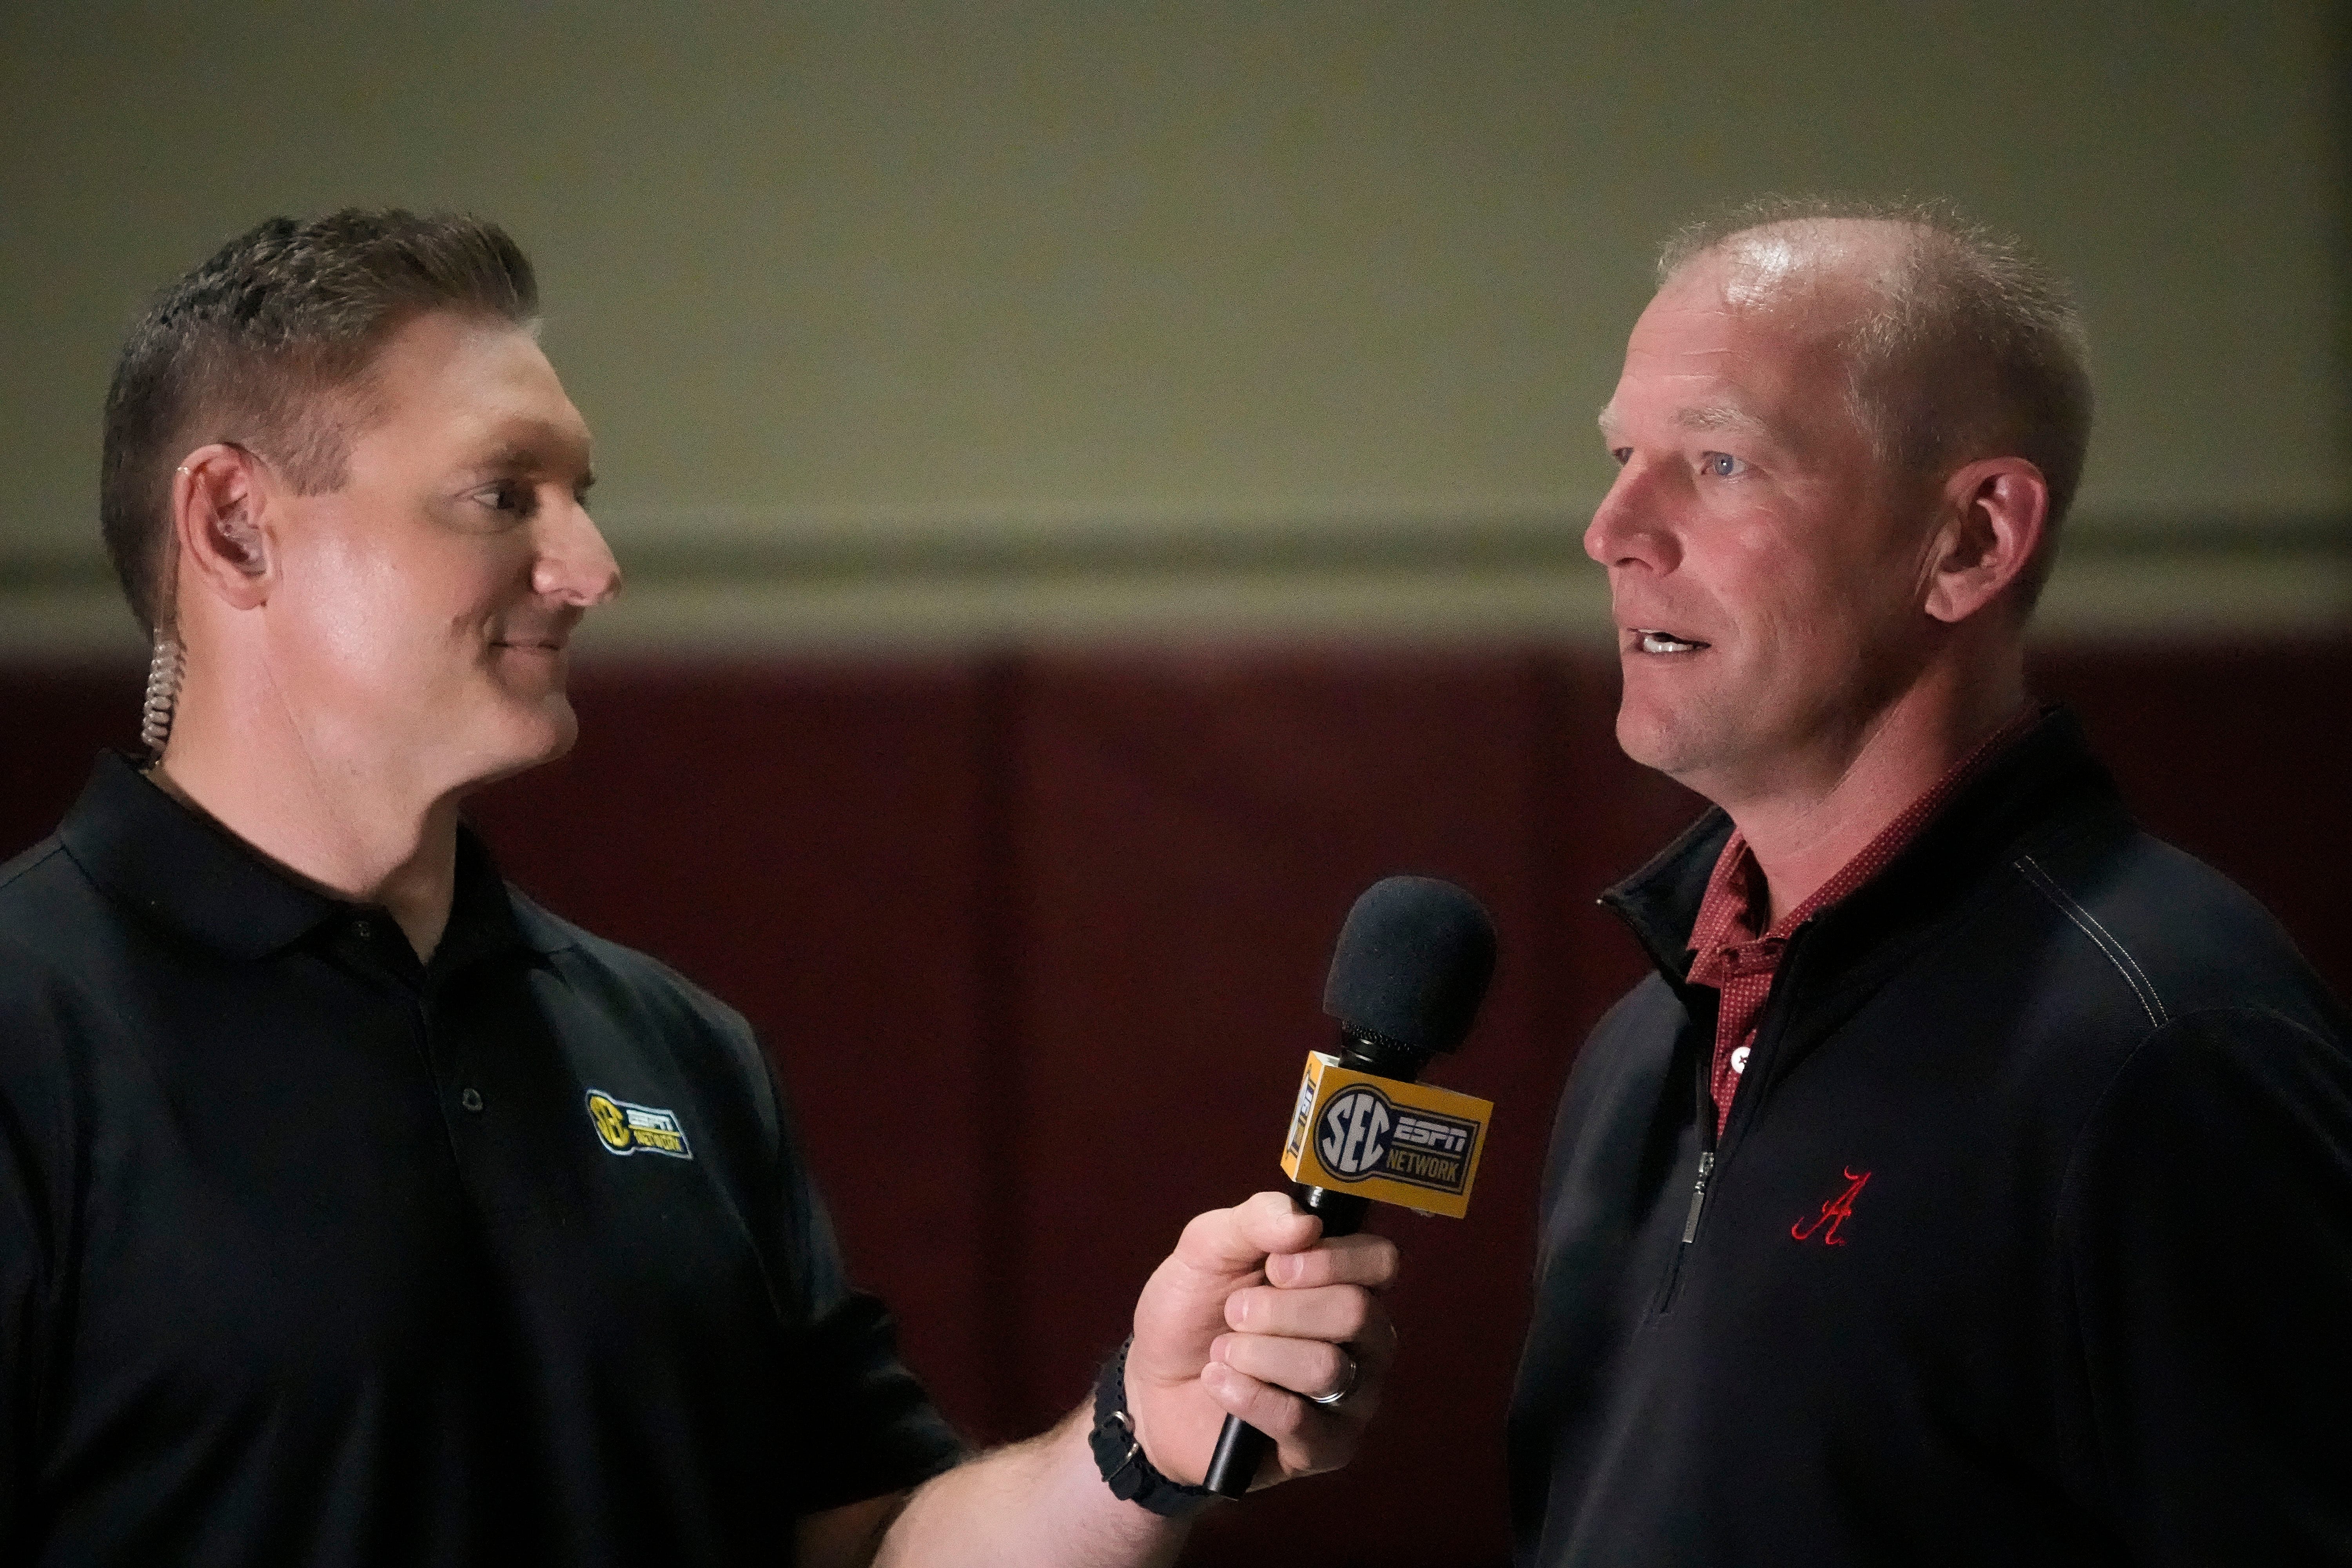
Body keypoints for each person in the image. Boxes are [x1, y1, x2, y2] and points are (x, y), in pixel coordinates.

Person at [0, 210, 1397, 1566]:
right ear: (237, 526)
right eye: (504, 496)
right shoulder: (31, 1027)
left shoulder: (672, 1051)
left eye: (580, 500)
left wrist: (1142, 1444)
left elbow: (860, 1540)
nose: (590, 569)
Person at [1508, 199, 2352, 1564]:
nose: (1613, 530)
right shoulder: (1643, 1050)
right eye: (1621, 457)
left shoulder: (2169, 1050)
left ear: (1970, 541)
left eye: (1719, 463)